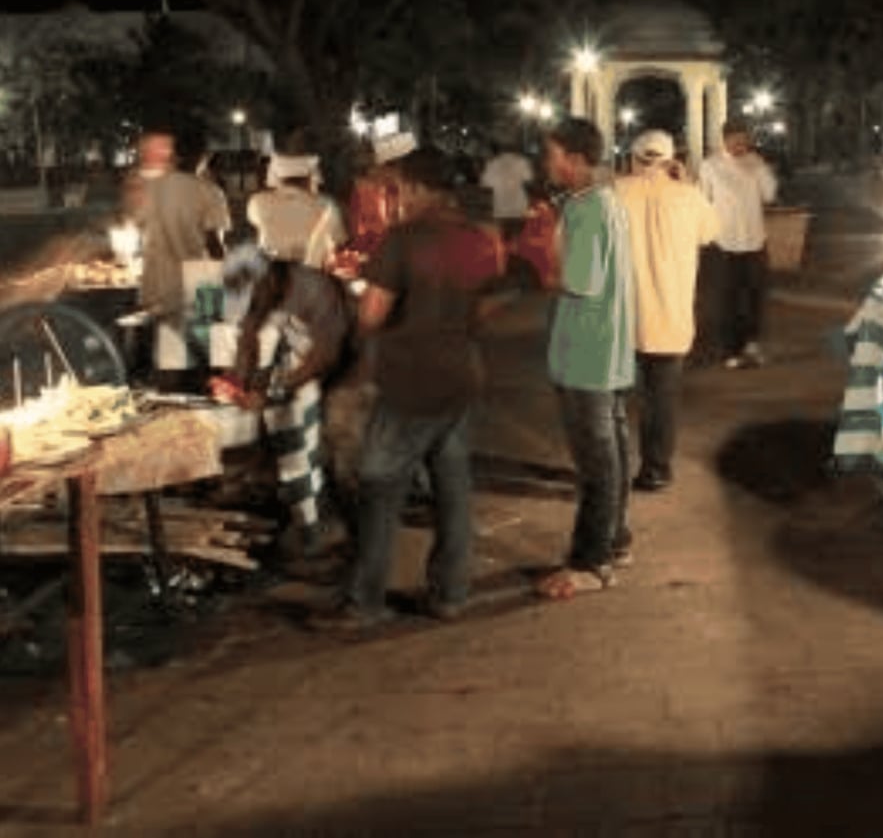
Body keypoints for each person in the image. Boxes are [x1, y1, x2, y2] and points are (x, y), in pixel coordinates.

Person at [318, 146, 506, 629]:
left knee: (380, 486)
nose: (393, 200)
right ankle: (451, 593)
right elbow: (489, 304)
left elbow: (372, 316)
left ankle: (365, 601)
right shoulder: (476, 238)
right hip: (463, 371)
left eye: (397, 191)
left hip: (410, 379)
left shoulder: (401, 241)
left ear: (419, 189)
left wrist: (361, 296)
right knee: (453, 486)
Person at [534, 118, 636, 600]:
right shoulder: (608, 200)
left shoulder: (585, 209)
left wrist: (540, 263)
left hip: (585, 352)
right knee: (612, 452)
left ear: (575, 160)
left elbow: (580, 281)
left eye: (552, 155)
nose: (546, 164)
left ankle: (590, 561)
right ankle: (614, 542)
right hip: (607, 347)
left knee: (597, 462)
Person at [219, 257, 352, 556]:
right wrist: (238, 380)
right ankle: (311, 522)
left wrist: (271, 392)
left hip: (347, 363)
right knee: (302, 452)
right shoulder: (261, 292)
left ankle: (314, 535)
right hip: (299, 367)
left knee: (302, 456)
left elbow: (320, 358)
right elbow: (248, 335)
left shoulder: (313, 292)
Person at [615, 129, 719, 492]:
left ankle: (607, 470)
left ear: (633, 157)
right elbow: (710, 233)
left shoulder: (615, 193)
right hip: (670, 319)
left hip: (621, 318)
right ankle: (656, 468)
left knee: (610, 400)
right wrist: (687, 182)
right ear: (671, 159)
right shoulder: (690, 197)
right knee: (661, 399)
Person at [124, 128, 232, 383]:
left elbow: (137, 229)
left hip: (160, 282)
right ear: (202, 157)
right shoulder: (210, 191)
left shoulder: (148, 190)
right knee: (213, 358)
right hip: (202, 282)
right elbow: (214, 244)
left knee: (171, 357)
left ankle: (172, 405)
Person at [699, 118, 777, 369]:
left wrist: (760, 169)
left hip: (755, 240)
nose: (740, 145)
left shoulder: (756, 163)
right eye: (735, 140)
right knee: (727, 299)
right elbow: (702, 201)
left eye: (744, 140)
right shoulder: (711, 166)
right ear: (725, 140)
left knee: (755, 296)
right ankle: (731, 350)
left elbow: (770, 194)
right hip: (725, 242)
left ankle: (752, 343)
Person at [247, 151, 347, 267]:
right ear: (309, 176)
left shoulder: (258, 202)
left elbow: (256, 222)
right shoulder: (325, 204)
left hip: (273, 271)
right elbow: (339, 240)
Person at [480, 141, 535, 238]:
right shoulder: (521, 162)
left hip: (502, 207)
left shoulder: (494, 163)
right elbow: (529, 182)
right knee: (517, 235)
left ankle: (506, 249)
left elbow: (485, 185)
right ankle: (514, 248)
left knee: (504, 235)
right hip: (518, 206)